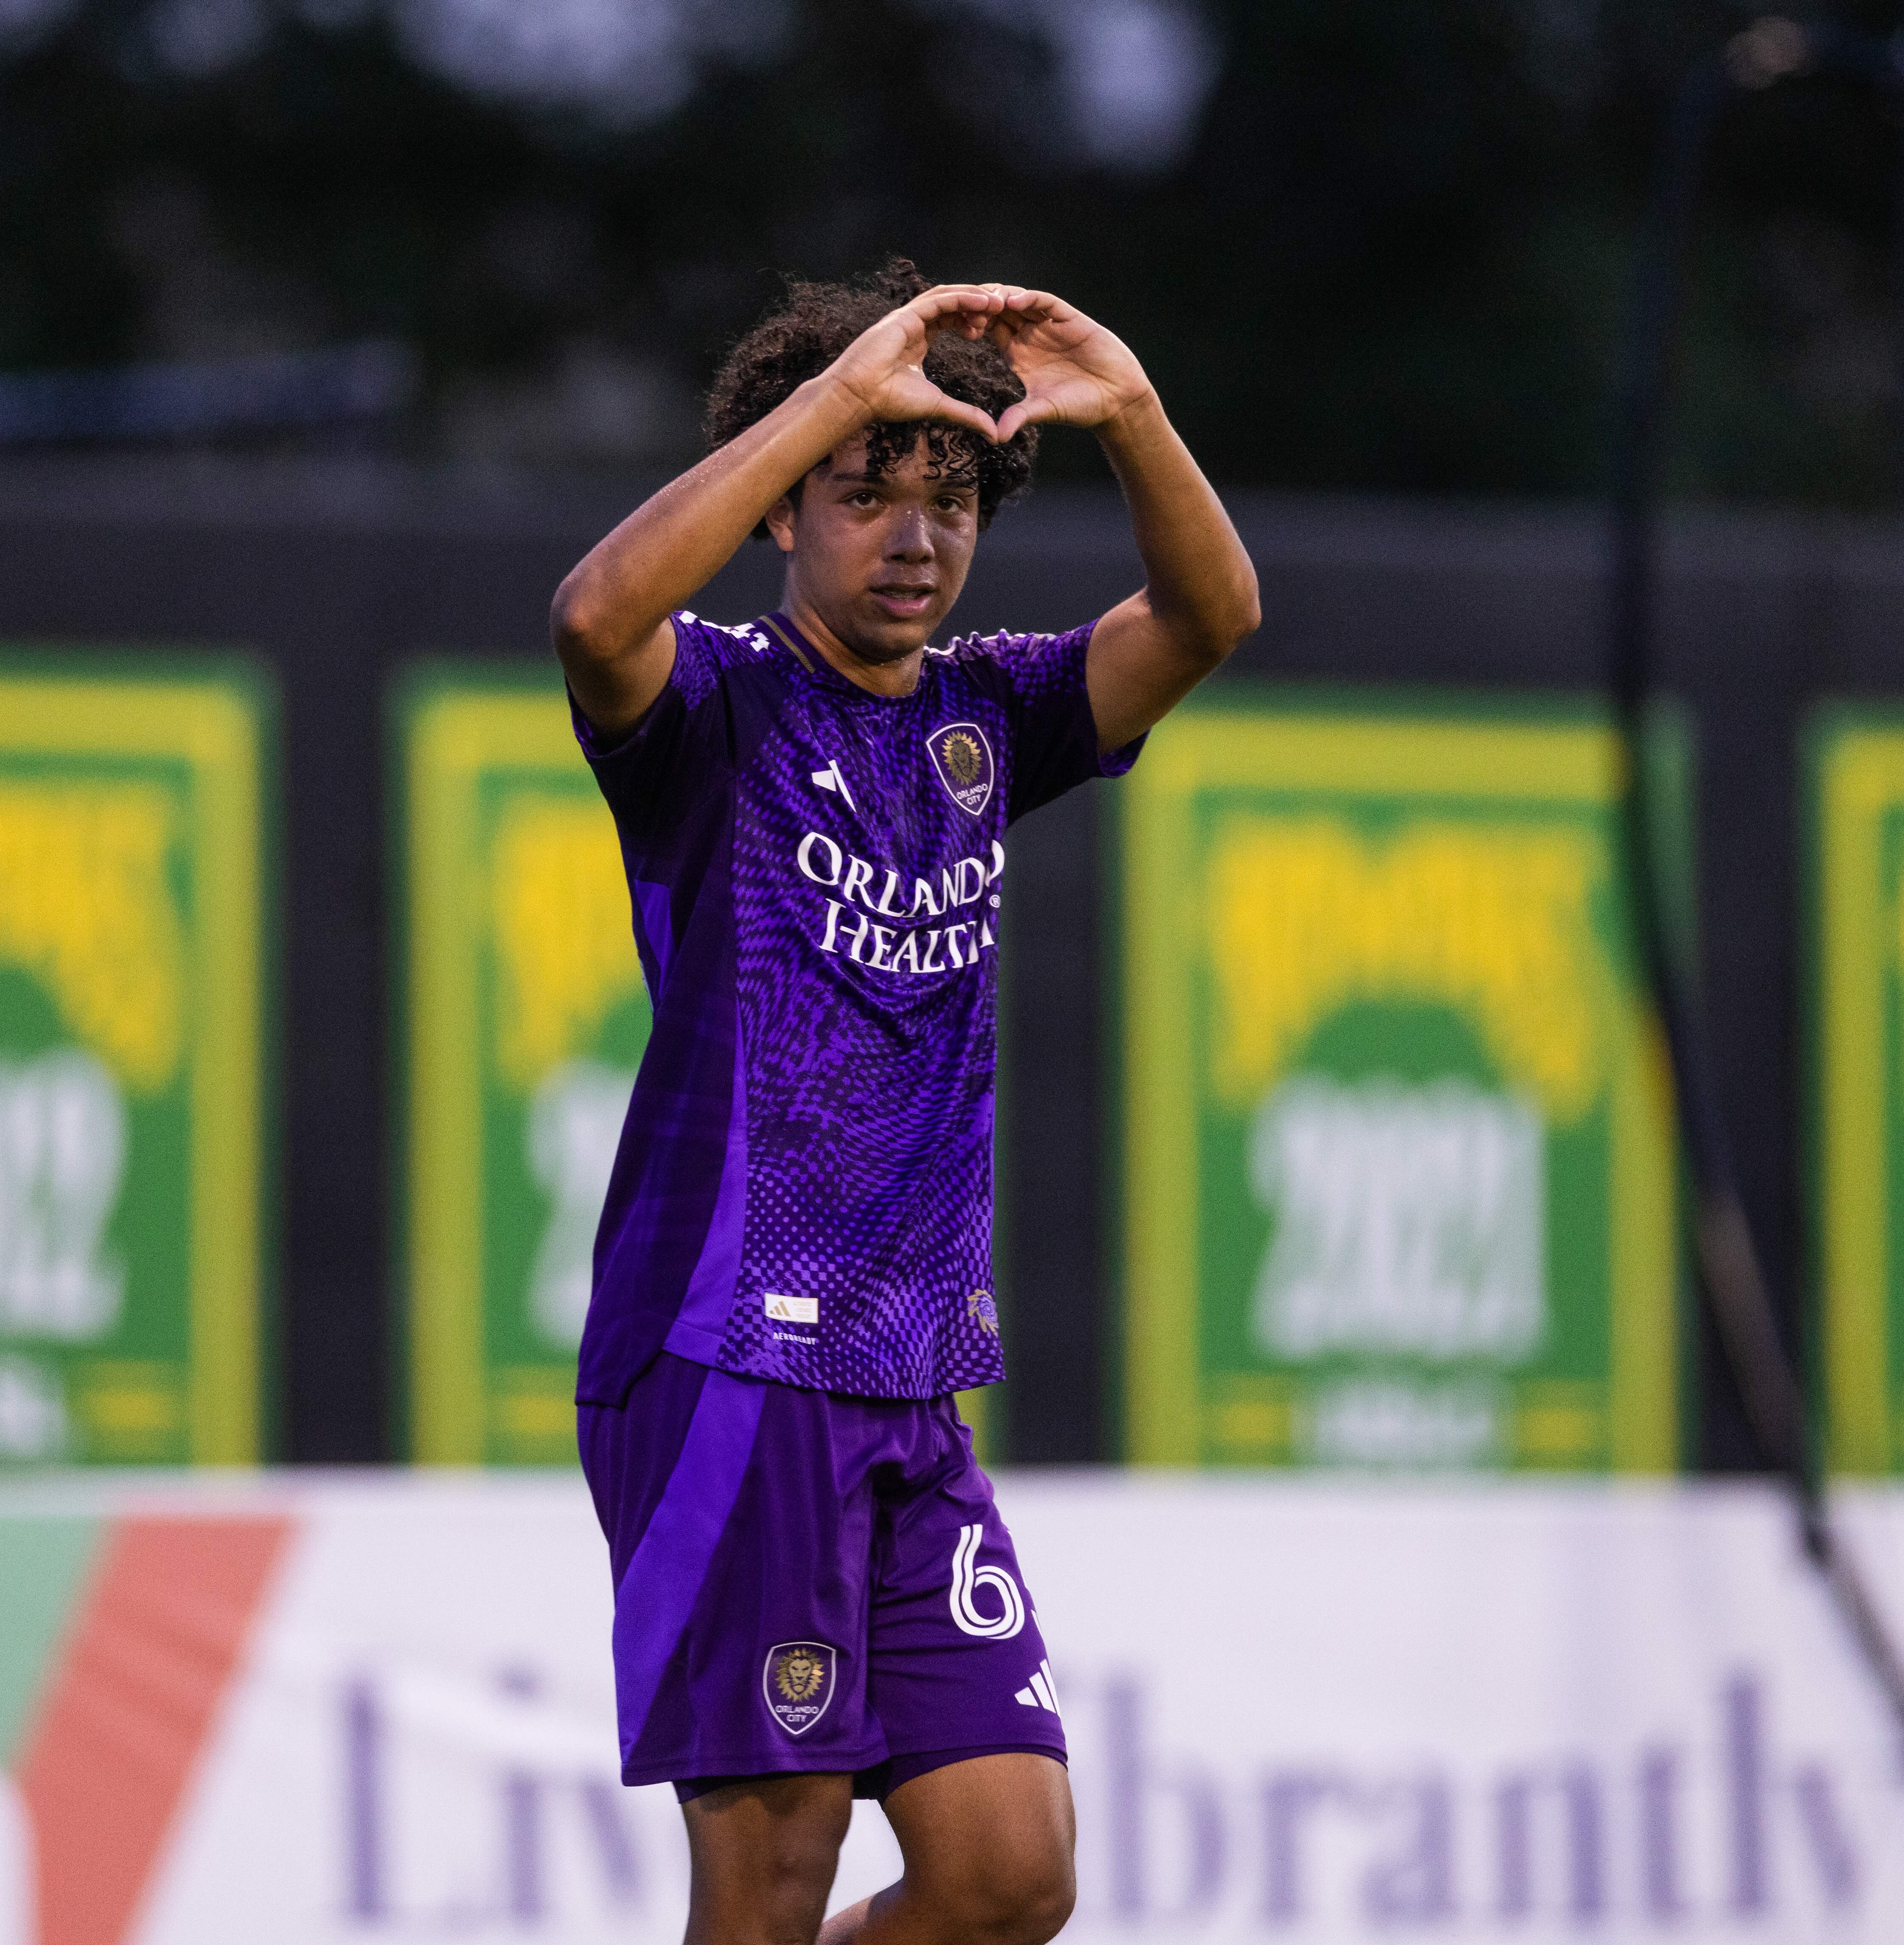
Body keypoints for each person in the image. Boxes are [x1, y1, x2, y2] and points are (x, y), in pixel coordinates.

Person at [549, 259, 1258, 1945]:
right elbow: (591, 616)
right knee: (770, 1873)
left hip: (908, 1369)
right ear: (787, 507)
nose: (915, 534)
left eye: (949, 499)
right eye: (867, 493)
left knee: (1012, 1868)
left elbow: (1212, 616)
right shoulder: (715, 705)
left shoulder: (987, 717)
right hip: (726, 1354)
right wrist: (833, 401)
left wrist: (1137, 408)